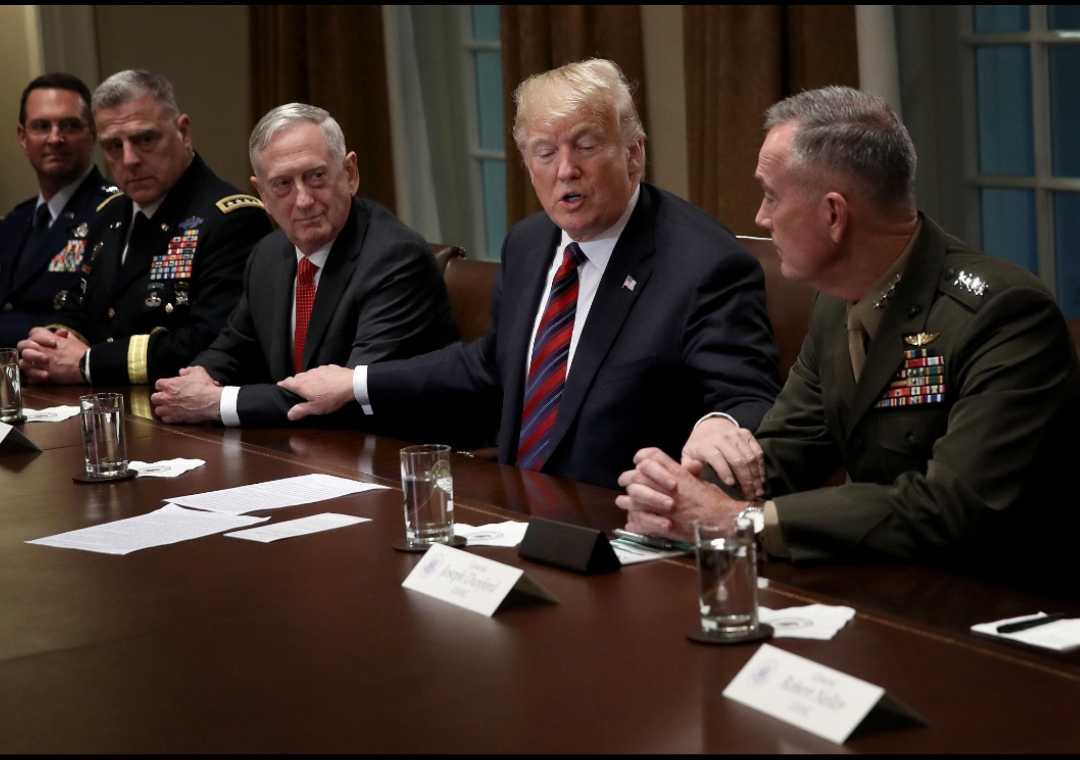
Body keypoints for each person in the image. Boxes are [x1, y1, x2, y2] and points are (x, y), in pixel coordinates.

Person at [617, 86, 1080, 577]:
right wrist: (681, 498)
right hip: (881, 579)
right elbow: (783, 450)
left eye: (772, 196)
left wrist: (739, 521)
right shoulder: (834, 302)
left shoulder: (1003, 315)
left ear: (834, 214)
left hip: (997, 600)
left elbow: (949, 505)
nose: (760, 217)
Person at [277, 59, 781, 490]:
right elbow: (491, 364)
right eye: (545, 152)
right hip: (513, 506)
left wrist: (721, 422)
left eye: (586, 146)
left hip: (622, 522)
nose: (565, 170)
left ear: (633, 153)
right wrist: (356, 382)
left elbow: (748, 398)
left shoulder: (705, 263)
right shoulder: (529, 243)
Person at [150, 103, 458, 427]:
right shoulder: (268, 254)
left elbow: (344, 396)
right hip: (307, 445)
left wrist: (217, 402)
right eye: (283, 184)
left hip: (395, 446)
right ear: (263, 194)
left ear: (350, 174)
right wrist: (198, 377)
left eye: (316, 176)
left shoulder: (395, 258)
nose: (303, 200)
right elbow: (231, 350)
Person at [16, 70, 271, 386]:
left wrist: (89, 363)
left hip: (183, 407)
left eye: (145, 139)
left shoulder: (231, 219)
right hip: (100, 403)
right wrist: (49, 347)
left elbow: (214, 339)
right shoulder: (107, 215)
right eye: (113, 145)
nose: (129, 159)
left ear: (183, 132)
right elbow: (76, 307)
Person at [0, 74, 117, 346]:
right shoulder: (14, 222)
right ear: (23, 137)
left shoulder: (114, 214)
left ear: (93, 134)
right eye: (41, 126)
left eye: (70, 125)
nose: (55, 138)